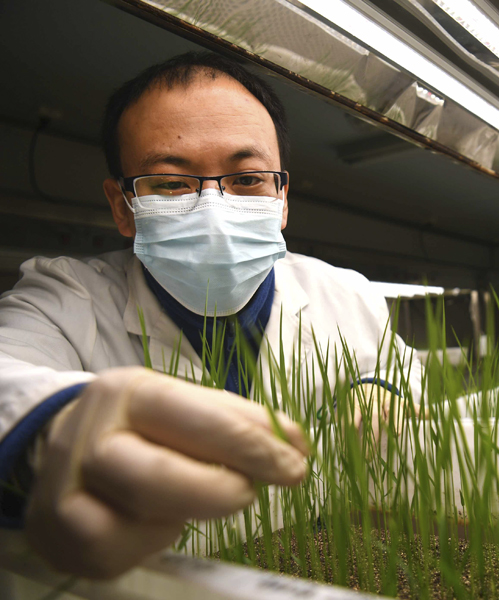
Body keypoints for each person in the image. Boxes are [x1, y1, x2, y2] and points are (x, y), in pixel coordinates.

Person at [0, 52, 421, 578]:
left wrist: (384, 387)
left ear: (282, 198)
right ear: (121, 206)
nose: (213, 210)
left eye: (247, 180)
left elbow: (405, 367)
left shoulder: (344, 291)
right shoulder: (64, 297)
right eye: (172, 184)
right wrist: (52, 421)